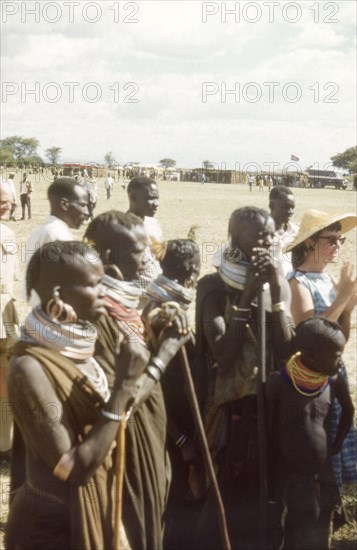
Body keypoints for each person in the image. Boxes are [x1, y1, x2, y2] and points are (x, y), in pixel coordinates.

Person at [6, 240, 149, 548]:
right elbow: (74, 469)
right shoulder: (28, 367)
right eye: (95, 285)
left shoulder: (81, 346)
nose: (105, 293)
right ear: (59, 295)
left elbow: (115, 411)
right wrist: (124, 386)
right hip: (49, 528)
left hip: (95, 505)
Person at [85, 211, 191, 550]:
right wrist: (166, 354)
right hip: (122, 445)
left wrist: (156, 332)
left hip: (149, 432)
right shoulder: (95, 312)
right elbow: (121, 399)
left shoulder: (126, 303)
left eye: (146, 248)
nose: (146, 258)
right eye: (135, 250)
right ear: (105, 256)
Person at [195, 206, 293, 549]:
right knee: (227, 495)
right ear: (234, 238)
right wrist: (248, 296)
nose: (267, 241)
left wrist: (276, 292)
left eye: (270, 234)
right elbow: (223, 357)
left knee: (264, 497)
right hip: (233, 415)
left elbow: (287, 350)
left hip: (269, 409)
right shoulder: (213, 287)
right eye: (258, 236)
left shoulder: (277, 283)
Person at [266, 317, 354, 549]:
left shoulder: (333, 381)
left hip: (320, 475)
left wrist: (334, 446)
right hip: (287, 477)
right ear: (312, 356)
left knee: (316, 531)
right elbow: (268, 427)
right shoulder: (279, 383)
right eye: (336, 356)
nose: (340, 361)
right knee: (284, 532)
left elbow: (349, 411)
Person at [286, 210, 357, 491]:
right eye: (331, 239)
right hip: (310, 384)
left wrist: (348, 309)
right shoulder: (297, 283)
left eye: (340, 240)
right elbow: (309, 337)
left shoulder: (326, 280)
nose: (337, 246)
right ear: (309, 243)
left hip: (332, 375)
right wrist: (341, 298)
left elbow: (340, 339)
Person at [142, 239, 202, 550]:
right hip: (170, 424)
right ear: (193, 270)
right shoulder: (167, 314)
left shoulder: (155, 299)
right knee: (177, 497)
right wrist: (181, 440)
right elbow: (154, 384)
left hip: (171, 421)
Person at [24, 177, 89, 278]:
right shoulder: (58, 235)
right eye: (82, 205)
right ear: (64, 204)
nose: (86, 212)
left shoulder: (41, 232)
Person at [0, 181, 19, 462]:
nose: (7, 206)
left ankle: (4, 446)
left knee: (6, 382)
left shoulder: (9, 233)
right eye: (2, 201)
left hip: (6, 314)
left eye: (8, 202)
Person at [127, 175, 163, 308]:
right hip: (133, 303)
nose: (156, 203)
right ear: (134, 198)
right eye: (150, 198)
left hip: (156, 299)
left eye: (157, 198)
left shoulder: (154, 224)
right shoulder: (120, 228)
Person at [269, 185, 299, 277]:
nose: (290, 211)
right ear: (271, 205)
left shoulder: (297, 233)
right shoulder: (258, 233)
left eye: (292, 208)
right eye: (285, 207)